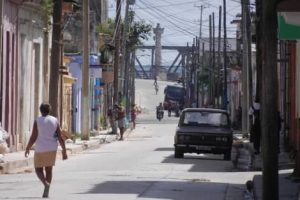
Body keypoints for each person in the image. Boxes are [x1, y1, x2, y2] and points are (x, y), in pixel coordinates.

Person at [25, 103, 67, 198]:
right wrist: (64, 151)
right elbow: (60, 137)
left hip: (40, 148)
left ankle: (45, 184)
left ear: (40, 110)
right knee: (49, 169)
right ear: (49, 110)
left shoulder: (37, 121)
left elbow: (33, 137)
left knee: (38, 169)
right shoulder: (55, 120)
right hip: (52, 148)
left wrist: (28, 147)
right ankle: (47, 188)